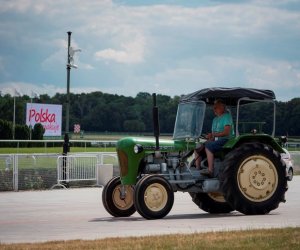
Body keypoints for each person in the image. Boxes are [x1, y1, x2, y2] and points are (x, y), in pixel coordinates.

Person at [195, 99, 234, 177]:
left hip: (226, 140)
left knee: (209, 146)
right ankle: (197, 170)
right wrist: (209, 137)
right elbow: (214, 135)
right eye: (214, 107)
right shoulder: (215, 120)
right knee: (197, 146)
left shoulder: (227, 117)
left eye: (216, 107)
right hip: (217, 140)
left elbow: (226, 132)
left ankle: (210, 170)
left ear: (222, 108)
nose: (214, 109)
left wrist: (213, 135)